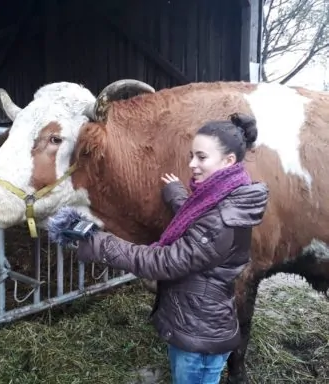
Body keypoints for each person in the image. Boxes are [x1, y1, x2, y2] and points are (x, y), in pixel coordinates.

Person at [48, 113, 269, 384]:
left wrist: (96, 241)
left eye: (201, 157)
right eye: (192, 156)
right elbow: (199, 221)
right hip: (198, 323)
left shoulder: (223, 218)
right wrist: (177, 195)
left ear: (228, 161)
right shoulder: (225, 196)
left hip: (198, 341)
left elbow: (163, 262)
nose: (192, 164)